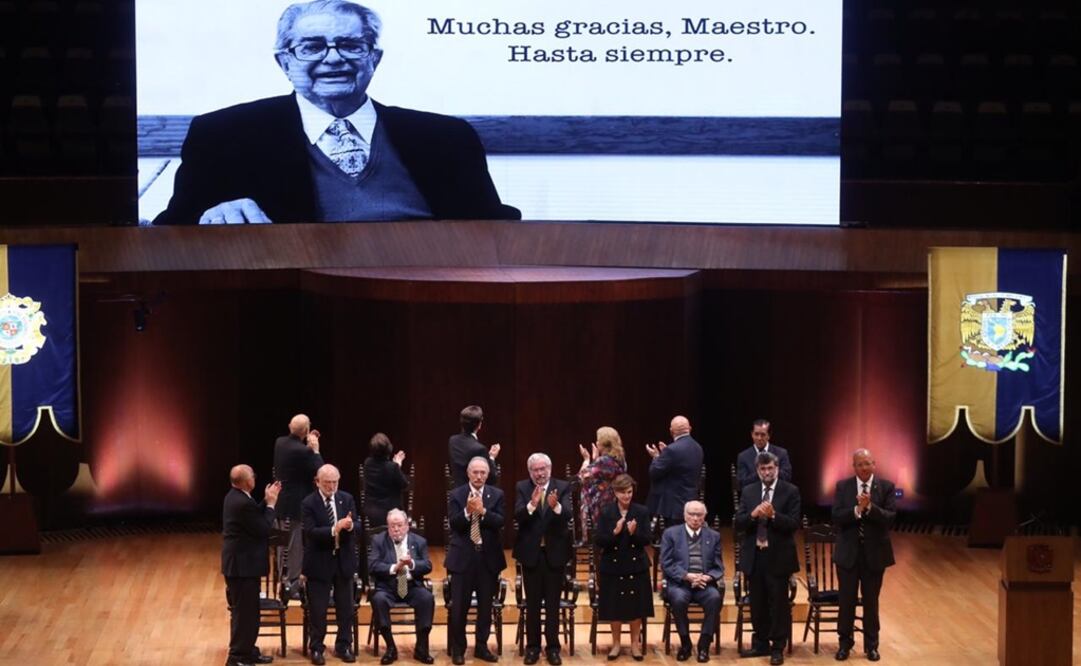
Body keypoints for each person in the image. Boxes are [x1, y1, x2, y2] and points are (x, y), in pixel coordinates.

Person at [153, 0, 518, 226]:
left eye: (351, 45)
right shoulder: (223, 135)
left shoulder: (447, 138)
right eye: (311, 47)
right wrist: (209, 218)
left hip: (426, 298)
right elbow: (174, 229)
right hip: (291, 304)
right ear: (284, 62)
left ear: (374, 58)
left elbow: (495, 232)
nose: (333, 59)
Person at [734, 451, 800, 666]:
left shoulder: (790, 491)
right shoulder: (749, 491)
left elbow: (794, 524)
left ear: (777, 469)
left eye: (770, 468)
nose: (767, 472)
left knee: (779, 604)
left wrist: (773, 515)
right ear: (757, 470)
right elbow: (739, 524)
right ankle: (761, 643)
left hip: (778, 557)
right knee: (758, 603)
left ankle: (778, 646)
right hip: (755, 556)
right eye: (763, 469)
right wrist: (753, 515)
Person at [831, 449, 895, 663]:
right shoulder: (843, 486)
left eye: (867, 463)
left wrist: (870, 508)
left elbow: (890, 517)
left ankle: (871, 646)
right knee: (846, 602)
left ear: (874, 464)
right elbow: (836, 516)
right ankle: (844, 644)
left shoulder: (886, 487)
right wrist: (857, 510)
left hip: (874, 556)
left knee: (871, 602)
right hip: (848, 554)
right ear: (854, 467)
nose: (864, 467)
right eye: (860, 464)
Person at [512, 453, 573, 665]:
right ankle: (533, 648)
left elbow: (568, 515)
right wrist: (532, 504)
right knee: (533, 604)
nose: (540, 473)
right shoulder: (522, 487)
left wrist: (556, 506)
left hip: (555, 554)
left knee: (553, 604)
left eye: (543, 469)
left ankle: (553, 648)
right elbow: (518, 516)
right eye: (535, 470)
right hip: (532, 555)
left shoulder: (562, 487)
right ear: (530, 472)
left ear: (550, 468)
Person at [445, 457, 506, 665]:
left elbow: (500, 522)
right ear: (468, 473)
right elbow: (454, 524)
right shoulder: (457, 494)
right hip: (463, 558)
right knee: (459, 608)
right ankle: (458, 648)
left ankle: (481, 646)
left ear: (488, 475)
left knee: (485, 607)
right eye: (475, 472)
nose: (479, 476)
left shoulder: (496, 494)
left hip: (487, 558)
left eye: (483, 473)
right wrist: (468, 511)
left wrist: (483, 511)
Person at [222, 464, 280, 666]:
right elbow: (263, 528)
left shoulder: (236, 497)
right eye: (253, 476)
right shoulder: (241, 503)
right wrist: (271, 505)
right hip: (242, 568)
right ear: (248, 481)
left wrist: (265, 500)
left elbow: (254, 516)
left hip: (244, 567)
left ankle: (248, 651)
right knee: (244, 615)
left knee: (250, 613)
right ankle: (237, 657)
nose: (254, 478)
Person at [302, 464, 359, 665]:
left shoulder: (346, 498)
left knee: (346, 609)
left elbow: (357, 524)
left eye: (335, 482)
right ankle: (317, 647)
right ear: (317, 481)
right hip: (319, 562)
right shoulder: (309, 503)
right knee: (318, 611)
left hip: (343, 561)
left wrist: (350, 526)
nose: (332, 486)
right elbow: (310, 532)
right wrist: (335, 529)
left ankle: (344, 645)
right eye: (327, 482)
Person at [594, 474, 653, 661]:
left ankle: (635, 644)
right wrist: (615, 532)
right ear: (615, 492)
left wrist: (634, 533)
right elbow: (599, 541)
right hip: (613, 565)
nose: (626, 496)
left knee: (636, 606)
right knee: (614, 606)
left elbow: (647, 540)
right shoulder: (606, 512)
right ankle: (616, 644)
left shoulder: (641, 511)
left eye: (629, 492)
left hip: (636, 565)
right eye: (622, 492)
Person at [367, 509, 436, 665]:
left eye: (399, 525)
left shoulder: (419, 541)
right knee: (378, 600)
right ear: (388, 527)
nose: (396, 529)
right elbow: (373, 565)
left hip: (412, 586)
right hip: (387, 587)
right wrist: (394, 567)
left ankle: (421, 648)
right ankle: (391, 648)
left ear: (406, 526)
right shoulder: (379, 541)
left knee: (427, 599)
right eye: (392, 526)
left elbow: (427, 565)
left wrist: (411, 564)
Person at [659, 501, 724, 663]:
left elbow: (718, 566)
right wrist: (686, 576)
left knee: (715, 598)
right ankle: (685, 643)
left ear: (704, 517)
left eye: (699, 515)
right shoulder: (671, 534)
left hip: (704, 584)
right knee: (678, 600)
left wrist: (707, 577)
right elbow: (666, 563)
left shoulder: (713, 536)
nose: (695, 518)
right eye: (691, 514)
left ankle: (704, 645)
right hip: (680, 583)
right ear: (684, 515)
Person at [273, 413, 324, 593]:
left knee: (282, 544)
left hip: (281, 501)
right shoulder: (305, 452)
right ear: (306, 430)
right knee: (294, 546)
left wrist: (308, 441)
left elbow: (297, 455)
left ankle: (283, 580)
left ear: (290, 426)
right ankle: (292, 585)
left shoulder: (280, 442)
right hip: (296, 504)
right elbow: (322, 472)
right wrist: (315, 449)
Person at [645, 415, 704, 525]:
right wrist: (665, 455)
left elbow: (654, 472)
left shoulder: (672, 450)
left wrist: (656, 457)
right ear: (690, 428)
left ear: (671, 431)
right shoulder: (698, 447)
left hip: (674, 505)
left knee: (674, 534)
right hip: (691, 500)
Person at [577, 426, 627, 537]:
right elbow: (601, 475)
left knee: (601, 536)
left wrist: (586, 459)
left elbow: (581, 477)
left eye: (598, 439)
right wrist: (595, 460)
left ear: (603, 443)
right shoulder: (619, 459)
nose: (596, 442)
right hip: (612, 501)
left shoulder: (604, 461)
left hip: (600, 503)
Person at [362, 432, 409, 528]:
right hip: (390, 514)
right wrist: (398, 465)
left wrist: (395, 466)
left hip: (370, 514)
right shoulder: (393, 467)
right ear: (389, 449)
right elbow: (405, 485)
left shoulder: (367, 463)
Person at [448, 405, 501, 488]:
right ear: (479, 425)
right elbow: (492, 478)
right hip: (472, 492)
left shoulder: (453, 440)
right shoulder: (479, 449)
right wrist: (491, 457)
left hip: (456, 491)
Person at [735, 420, 793, 490]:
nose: (759, 438)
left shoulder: (781, 453)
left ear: (769, 436)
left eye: (763, 435)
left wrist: (772, 471)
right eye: (756, 434)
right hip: (754, 494)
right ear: (752, 434)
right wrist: (760, 473)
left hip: (778, 493)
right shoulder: (743, 456)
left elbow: (787, 477)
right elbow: (742, 483)